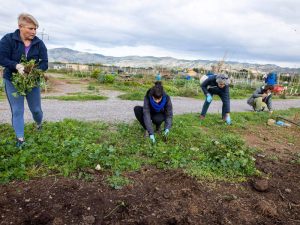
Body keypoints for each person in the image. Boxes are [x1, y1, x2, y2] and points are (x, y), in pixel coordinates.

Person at [0, 13, 48, 147]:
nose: (34, 31)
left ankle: (39, 125)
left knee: (36, 109)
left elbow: (45, 63)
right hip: (13, 80)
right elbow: (2, 58)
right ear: (20, 26)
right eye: (30, 28)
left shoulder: (39, 43)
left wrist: (34, 71)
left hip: (32, 81)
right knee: (17, 110)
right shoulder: (8, 39)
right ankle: (20, 139)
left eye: (35, 29)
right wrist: (17, 66)